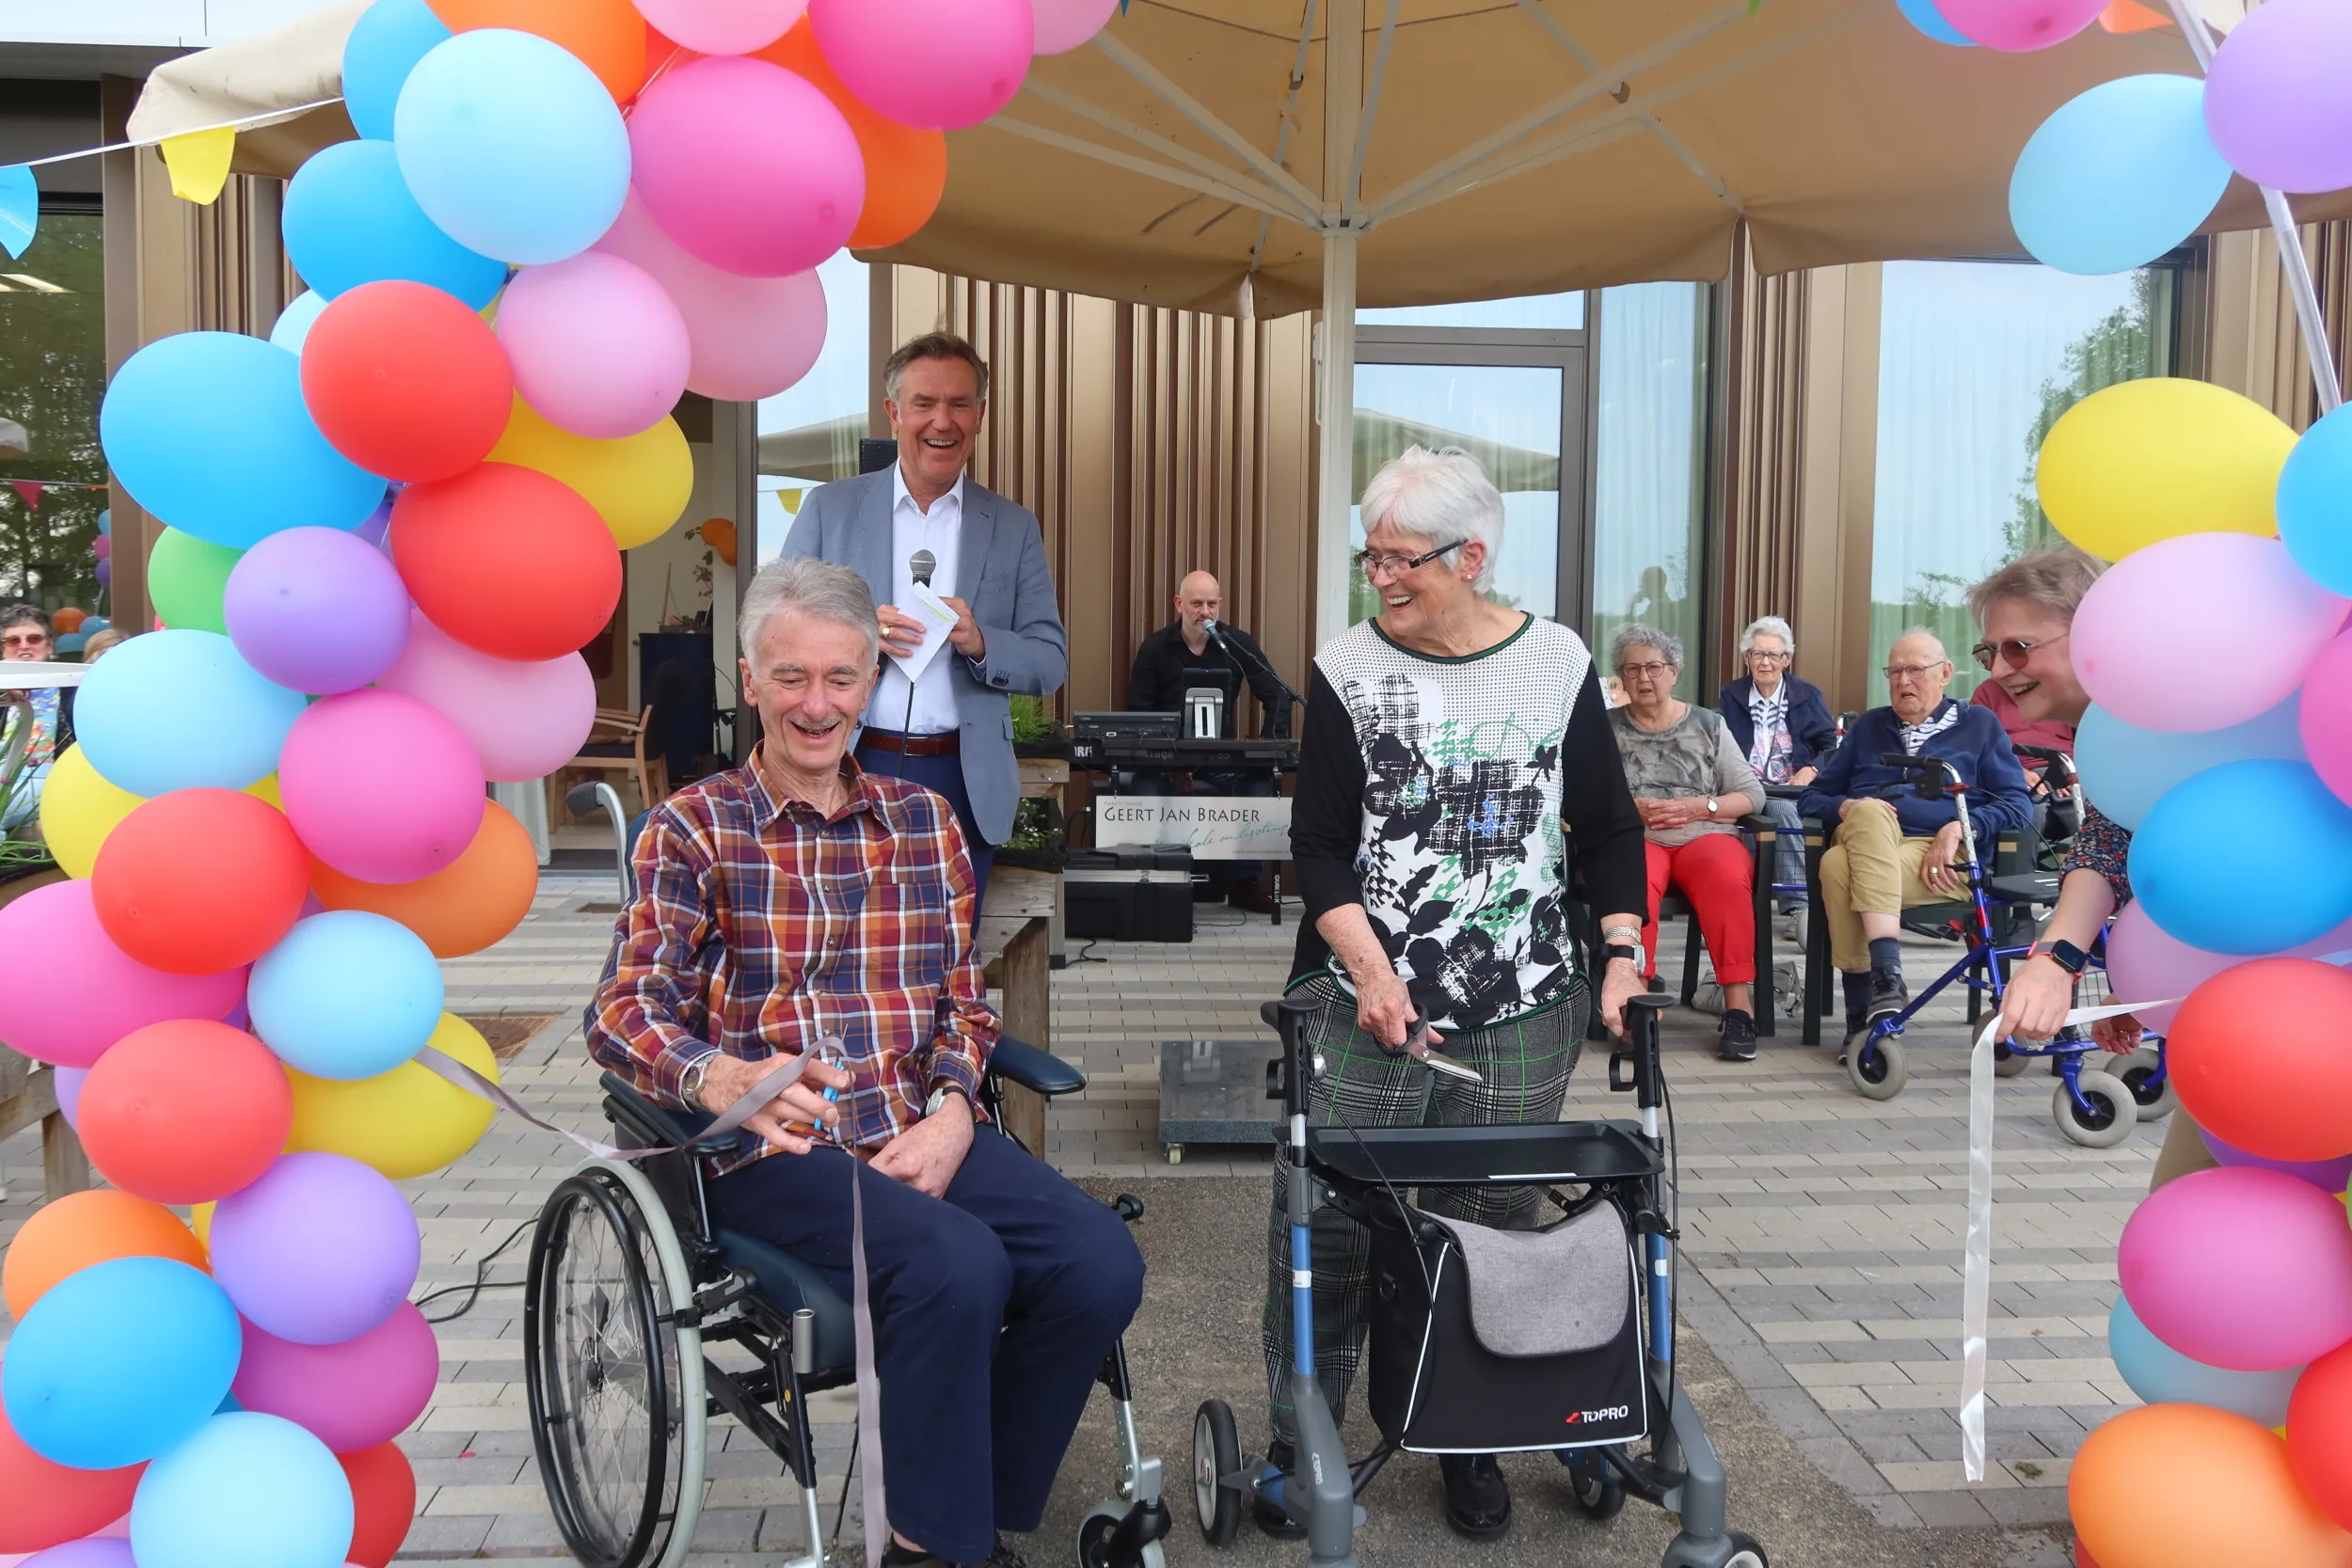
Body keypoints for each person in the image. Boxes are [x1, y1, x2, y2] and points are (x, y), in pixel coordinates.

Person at [586, 558, 1141, 1568]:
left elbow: (962, 1002)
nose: (817, 703)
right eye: (790, 676)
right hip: (771, 1144)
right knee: (956, 1263)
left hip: (913, 1116)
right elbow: (622, 1010)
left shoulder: (923, 824)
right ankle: (930, 1544)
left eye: (841, 677)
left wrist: (955, 1110)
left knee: (1098, 1261)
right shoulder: (694, 828)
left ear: (871, 682)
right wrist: (719, 1077)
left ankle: (967, 1499)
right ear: (749, 680)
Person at [1269, 446, 1645, 1541]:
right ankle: (1308, 1440)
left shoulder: (1556, 659)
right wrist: (1375, 972)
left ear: (1471, 555)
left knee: (1490, 1223)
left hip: (1525, 998)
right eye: (1370, 556)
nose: (1380, 578)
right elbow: (1320, 847)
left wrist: (1619, 952)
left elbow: (1610, 825)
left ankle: (1467, 1435)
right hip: (1364, 999)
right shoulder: (1348, 665)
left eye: (1402, 559)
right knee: (1336, 1225)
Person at [783, 333, 1069, 897]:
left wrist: (981, 642)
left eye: (960, 403)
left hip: (964, 779)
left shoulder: (1014, 527)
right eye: (924, 403)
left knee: (948, 962)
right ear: (894, 413)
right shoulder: (829, 509)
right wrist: (859, 635)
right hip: (848, 763)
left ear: (981, 415)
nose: (943, 420)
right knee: (841, 953)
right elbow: (774, 630)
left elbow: (1050, 659)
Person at [1979, 549, 2213, 1190]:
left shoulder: (2192, 708)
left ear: (2095, 630)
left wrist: (2061, 961)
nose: (2001, 670)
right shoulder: (2108, 733)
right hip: (2249, 1023)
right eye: (1989, 653)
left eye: (2019, 647)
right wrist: (2131, 976)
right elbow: (2108, 846)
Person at [1798, 629, 2032, 1048]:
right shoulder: (1870, 726)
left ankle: (1860, 1021)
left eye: (1915, 671)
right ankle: (1886, 977)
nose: (1903, 682)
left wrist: (1964, 826)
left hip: (1940, 857)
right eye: (1895, 671)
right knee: (1865, 812)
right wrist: (1844, 808)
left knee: (1836, 868)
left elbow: (2018, 803)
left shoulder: (1978, 724)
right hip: (1871, 840)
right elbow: (1812, 796)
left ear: (1944, 674)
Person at [1611, 625, 1767, 1062]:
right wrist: (1628, 808)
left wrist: (1702, 807)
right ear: (1620, 677)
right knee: (1632, 881)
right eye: (1633, 669)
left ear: (1674, 672)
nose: (1644, 678)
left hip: (1704, 834)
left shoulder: (1708, 724)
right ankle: (1636, 1002)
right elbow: (1581, 792)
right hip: (1637, 837)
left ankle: (1738, 1007)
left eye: (1654, 667)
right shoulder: (1605, 729)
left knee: (1724, 875)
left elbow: (1752, 795)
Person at [1124, 569, 1290, 912]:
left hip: (1221, 758)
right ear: (1179, 604)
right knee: (1145, 790)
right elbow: (1139, 712)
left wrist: (1267, 747)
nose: (1205, 612)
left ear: (1220, 605)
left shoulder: (1236, 644)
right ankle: (1146, 883)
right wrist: (1168, 762)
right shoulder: (1155, 648)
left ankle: (1244, 882)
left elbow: (1277, 694)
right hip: (1164, 759)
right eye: (1197, 603)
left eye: (1211, 604)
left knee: (1257, 788)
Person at [1718, 615, 1836, 941]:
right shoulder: (1733, 695)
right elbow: (1720, 743)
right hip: (1745, 786)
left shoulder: (1806, 695)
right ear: (1747, 658)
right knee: (1724, 821)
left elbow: (1831, 745)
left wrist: (1811, 769)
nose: (1765, 662)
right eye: (1758, 654)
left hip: (1791, 789)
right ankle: (1729, 909)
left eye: (1773, 655)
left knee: (1783, 812)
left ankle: (1799, 907)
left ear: (1787, 659)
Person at [1, 605, 70, 832]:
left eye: (33, 639)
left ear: (49, 646)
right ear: (3, 651)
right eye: (13, 641)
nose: (24, 647)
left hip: (49, 778)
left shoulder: (72, 688)